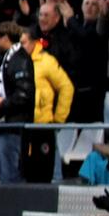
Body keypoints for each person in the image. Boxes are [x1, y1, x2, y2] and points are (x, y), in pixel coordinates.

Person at [0, 23, 36, 183]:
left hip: (13, 126)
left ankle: (15, 207)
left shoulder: (19, 59)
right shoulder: (8, 58)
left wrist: (0, 109)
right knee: (3, 173)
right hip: (5, 124)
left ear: (5, 38)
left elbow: (23, 94)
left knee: (10, 174)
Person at [26, 31, 74, 183]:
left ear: (34, 42)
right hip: (24, 124)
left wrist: (59, 118)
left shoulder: (47, 61)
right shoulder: (17, 60)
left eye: (23, 42)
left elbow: (67, 87)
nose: (20, 46)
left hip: (43, 124)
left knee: (47, 173)